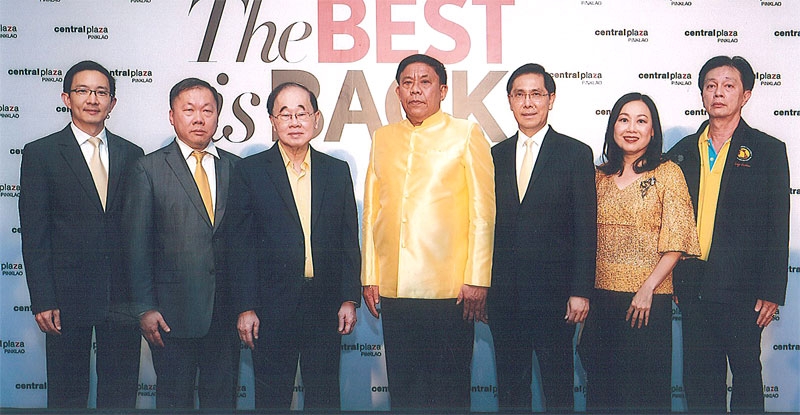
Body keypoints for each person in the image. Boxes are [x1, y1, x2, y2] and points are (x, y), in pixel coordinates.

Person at [361, 53, 495, 411]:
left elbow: (483, 212)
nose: (415, 90)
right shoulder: (383, 137)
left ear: (443, 90)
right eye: (407, 83)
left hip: (450, 290)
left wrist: (477, 278)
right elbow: (372, 212)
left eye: (425, 82)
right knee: (404, 389)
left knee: (449, 390)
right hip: (394, 287)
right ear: (398, 92)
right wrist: (370, 275)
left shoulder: (466, 134)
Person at [227, 82, 361, 410]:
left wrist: (348, 297)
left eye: (302, 113)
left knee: (324, 397)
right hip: (270, 307)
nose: (294, 121)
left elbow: (347, 240)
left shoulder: (336, 171)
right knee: (271, 399)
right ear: (272, 122)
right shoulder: (250, 171)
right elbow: (240, 246)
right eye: (285, 114)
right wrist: (246, 306)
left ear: (316, 118)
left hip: (324, 305)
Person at [667, 56, 790, 413]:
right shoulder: (682, 151)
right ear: (702, 94)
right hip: (693, 283)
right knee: (700, 379)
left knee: (747, 377)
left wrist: (772, 289)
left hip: (744, 288)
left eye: (728, 85)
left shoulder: (768, 150)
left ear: (745, 95)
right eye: (711, 85)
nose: (718, 92)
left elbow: (778, 224)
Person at [19, 60, 143, 409]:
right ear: (66, 98)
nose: (92, 99)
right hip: (65, 296)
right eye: (83, 91)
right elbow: (35, 234)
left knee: (120, 393)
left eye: (101, 92)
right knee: (67, 394)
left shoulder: (132, 154)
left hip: (122, 296)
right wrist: (43, 298)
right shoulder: (41, 153)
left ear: (112, 102)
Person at [123, 78, 240, 409]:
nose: (199, 118)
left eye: (207, 110)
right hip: (170, 315)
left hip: (225, 314)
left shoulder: (237, 167)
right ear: (172, 116)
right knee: (174, 402)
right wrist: (144, 307)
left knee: (223, 402)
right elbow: (136, 246)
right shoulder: (147, 169)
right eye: (189, 110)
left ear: (217, 116)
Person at [579, 92, 700, 412]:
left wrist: (647, 289)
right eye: (624, 119)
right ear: (613, 127)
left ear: (652, 130)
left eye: (641, 121)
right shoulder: (598, 176)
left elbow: (677, 240)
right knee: (602, 393)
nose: (631, 128)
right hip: (600, 300)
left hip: (647, 300)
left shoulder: (668, 173)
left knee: (644, 395)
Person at [489, 63, 596, 412]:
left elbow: (585, 227)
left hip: (556, 298)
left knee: (558, 390)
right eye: (519, 94)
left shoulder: (576, 153)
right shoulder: (494, 155)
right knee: (510, 391)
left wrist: (580, 291)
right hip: (505, 298)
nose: (528, 102)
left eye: (536, 94)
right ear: (509, 100)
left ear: (551, 99)